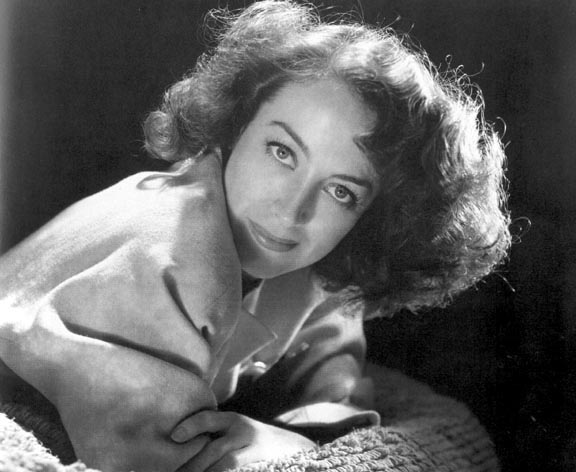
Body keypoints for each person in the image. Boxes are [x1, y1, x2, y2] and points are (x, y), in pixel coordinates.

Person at [0, 1, 511, 471]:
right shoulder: (169, 250)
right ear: (237, 125)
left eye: (341, 192)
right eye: (282, 152)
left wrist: (294, 436)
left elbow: (331, 380)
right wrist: (290, 444)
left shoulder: (306, 263)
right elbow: (161, 456)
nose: (292, 210)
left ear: (374, 215)